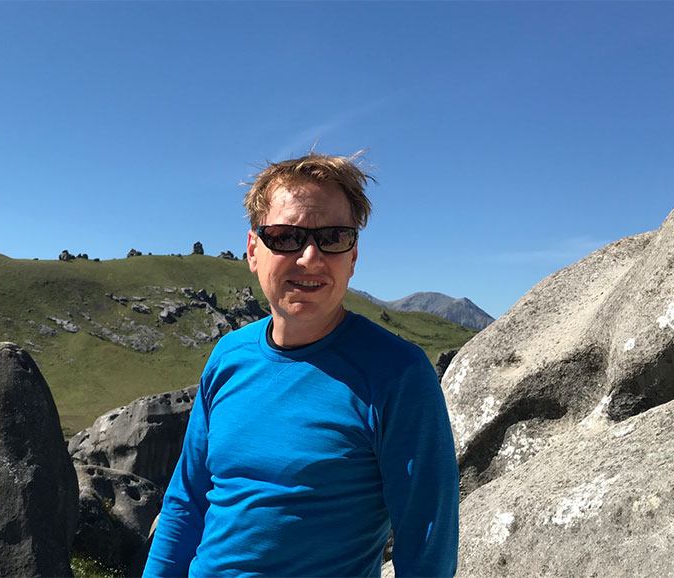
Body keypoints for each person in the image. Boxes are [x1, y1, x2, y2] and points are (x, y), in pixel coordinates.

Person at [142, 152, 459, 577]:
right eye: (285, 236)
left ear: (353, 255)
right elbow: (187, 499)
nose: (310, 257)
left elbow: (427, 545)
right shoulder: (228, 356)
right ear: (254, 250)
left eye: (333, 237)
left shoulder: (397, 374)